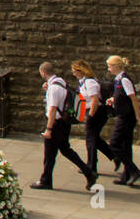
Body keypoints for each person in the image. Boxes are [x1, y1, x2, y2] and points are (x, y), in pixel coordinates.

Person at [30, 61, 96, 191]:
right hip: (65, 123)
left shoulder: (53, 88)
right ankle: (89, 172)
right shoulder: (60, 82)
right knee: (66, 150)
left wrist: (48, 129)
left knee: (49, 154)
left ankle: (46, 181)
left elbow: (53, 109)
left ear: (43, 72)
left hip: (56, 124)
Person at [72, 59, 118, 177]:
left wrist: (91, 116)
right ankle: (115, 156)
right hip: (93, 112)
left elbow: (95, 100)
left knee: (90, 140)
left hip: (97, 113)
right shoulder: (83, 82)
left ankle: (92, 166)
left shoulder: (90, 82)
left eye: (75, 71)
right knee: (95, 139)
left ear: (80, 71)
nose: (73, 74)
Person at [105, 54, 140, 185]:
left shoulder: (125, 80)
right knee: (125, 146)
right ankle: (126, 176)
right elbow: (123, 96)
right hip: (124, 115)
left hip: (127, 117)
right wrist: (113, 99)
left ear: (116, 66)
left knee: (114, 144)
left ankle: (134, 171)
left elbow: (133, 98)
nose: (108, 69)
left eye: (109, 66)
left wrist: (138, 116)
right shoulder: (119, 80)